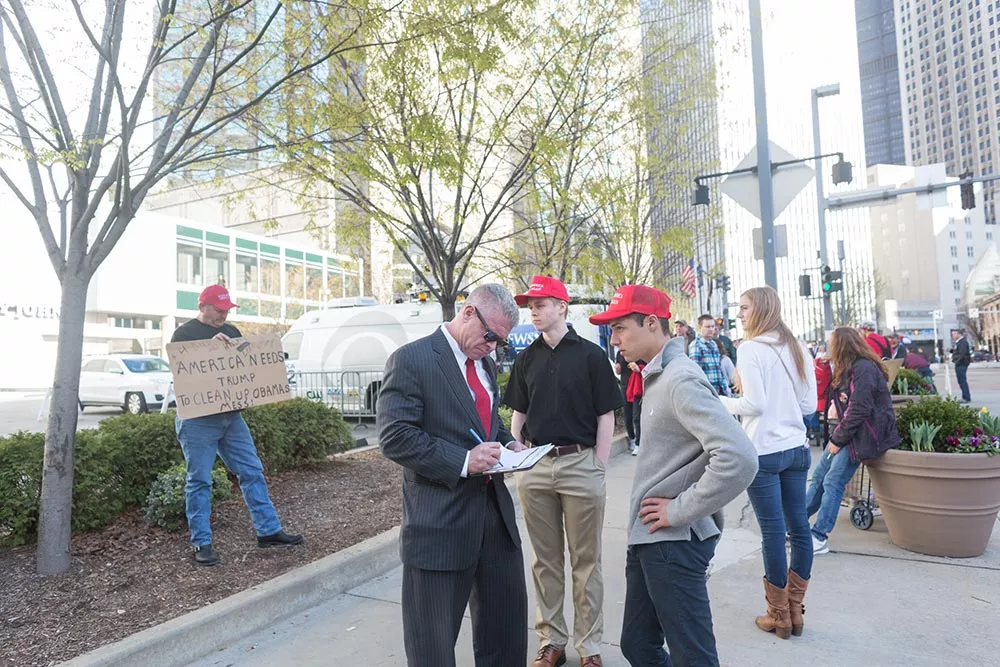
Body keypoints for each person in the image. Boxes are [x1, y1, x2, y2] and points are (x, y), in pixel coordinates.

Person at [589, 285, 758, 667]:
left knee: (693, 657)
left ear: (651, 323)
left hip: (673, 542)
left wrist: (679, 509)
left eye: (620, 329)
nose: (614, 340)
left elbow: (739, 457)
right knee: (638, 645)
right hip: (651, 539)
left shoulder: (680, 379)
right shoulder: (658, 376)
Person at [377, 284, 527, 667]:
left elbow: (486, 424)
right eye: (490, 335)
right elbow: (395, 438)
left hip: (495, 520)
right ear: (467, 312)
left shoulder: (486, 363)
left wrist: (508, 444)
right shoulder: (412, 360)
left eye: (501, 341)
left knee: (506, 638)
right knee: (433, 648)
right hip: (439, 524)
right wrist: (464, 461)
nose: (493, 346)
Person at [504, 276, 622, 667]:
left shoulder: (591, 356)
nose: (533, 311)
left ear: (562, 307)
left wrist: (599, 464)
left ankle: (590, 647)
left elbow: (606, 414)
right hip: (535, 468)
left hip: (580, 464)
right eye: (530, 305)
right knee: (545, 560)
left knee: (586, 561)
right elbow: (518, 411)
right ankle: (551, 641)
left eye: (540, 304)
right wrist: (517, 447)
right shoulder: (526, 359)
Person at [171, 285, 303, 567]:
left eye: (226, 310)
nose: (223, 314)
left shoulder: (232, 331)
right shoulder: (183, 334)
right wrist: (209, 350)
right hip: (198, 421)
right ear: (202, 306)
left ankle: (268, 531)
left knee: (252, 470)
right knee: (200, 480)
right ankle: (201, 542)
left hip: (231, 417)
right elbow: (184, 373)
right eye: (219, 309)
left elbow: (246, 368)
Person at [719, 286, 817, 639]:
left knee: (774, 533)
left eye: (744, 308)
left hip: (764, 451)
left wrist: (721, 402)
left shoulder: (750, 349)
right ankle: (794, 611)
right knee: (800, 530)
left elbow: (755, 404)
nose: (740, 314)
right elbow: (809, 407)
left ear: (759, 309)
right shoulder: (798, 347)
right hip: (797, 449)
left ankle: (778, 616)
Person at [807, 327, 900, 555]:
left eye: (832, 343)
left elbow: (859, 409)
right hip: (851, 434)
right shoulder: (850, 368)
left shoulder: (863, 369)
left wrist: (838, 439)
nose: (829, 347)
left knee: (832, 481)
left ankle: (819, 536)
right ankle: (797, 526)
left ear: (842, 346)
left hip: (861, 436)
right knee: (820, 476)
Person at [689, 315, 730, 396]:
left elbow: (718, 369)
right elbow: (696, 372)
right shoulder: (696, 345)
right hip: (707, 392)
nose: (711, 329)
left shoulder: (713, 344)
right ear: (700, 327)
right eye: (707, 327)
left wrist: (725, 388)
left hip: (720, 390)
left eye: (712, 326)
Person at [615, 349, 637, 453]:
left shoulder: (637, 349)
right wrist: (617, 368)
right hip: (625, 385)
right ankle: (632, 438)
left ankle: (639, 441)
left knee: (637, 415)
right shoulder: (619, 353)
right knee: (627, 415)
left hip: (637, 385)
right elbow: (618, 371)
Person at [951, 329, 972, 403]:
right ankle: (965, 396)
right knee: (961, 381)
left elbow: (962, 354)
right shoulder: (959, 342)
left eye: (954, 334)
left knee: (962, 381)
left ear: (959, 334)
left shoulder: (962, 342)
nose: (953, 336)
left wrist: (956, 362)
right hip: (960, 363)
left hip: (961, 363)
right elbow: (958, 351)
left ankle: (966, 397)